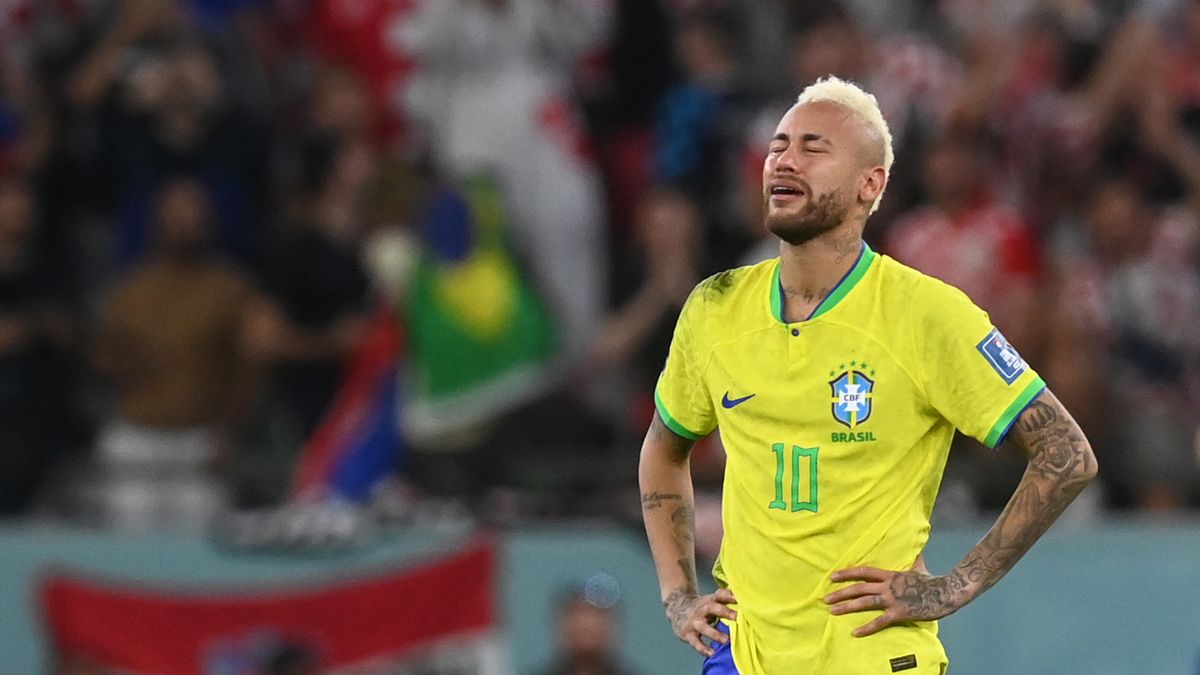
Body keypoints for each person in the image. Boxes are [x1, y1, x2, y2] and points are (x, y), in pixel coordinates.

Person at [638, 76, 1098, 673]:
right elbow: (663, 448)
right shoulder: (715, 306)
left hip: (871, 652)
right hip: (744, 653)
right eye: (779, 145)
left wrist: (957, 583)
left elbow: (1066, 452)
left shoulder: (926, 314)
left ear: (869, 184)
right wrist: (677, 596)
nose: (784, 159)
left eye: (813, 147)